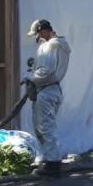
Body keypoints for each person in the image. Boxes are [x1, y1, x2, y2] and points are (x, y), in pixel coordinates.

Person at [26, 18, 71, 176]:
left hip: (46, 90)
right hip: (54, 89)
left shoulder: (49, 46)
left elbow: (46, 70)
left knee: (45, 127)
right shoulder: (62, 45)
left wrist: (30, 78)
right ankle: (47, 158)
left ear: (43, 30)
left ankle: (53, 164)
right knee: (43, 126)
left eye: (38, 34)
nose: (38, 38)